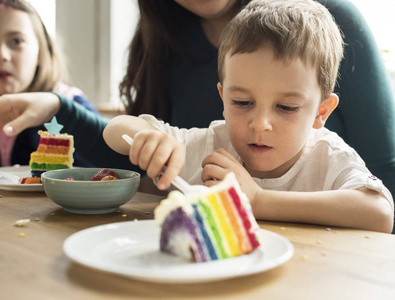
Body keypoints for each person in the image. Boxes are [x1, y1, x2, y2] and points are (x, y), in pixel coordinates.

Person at [1, 0, 394, 232]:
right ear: (222, 96)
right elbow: (119, 133)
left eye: (287, 107)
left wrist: (257, 201)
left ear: (321, 112)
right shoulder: (212, 143)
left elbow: (379, 212)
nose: (260, 123)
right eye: (242, 103)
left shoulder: (327, 153)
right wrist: (143, 134)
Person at [0, 0, 98, 167]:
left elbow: (100, 169)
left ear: (41, 51)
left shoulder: (70, 105)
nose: (3, 55)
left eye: (16, 41)